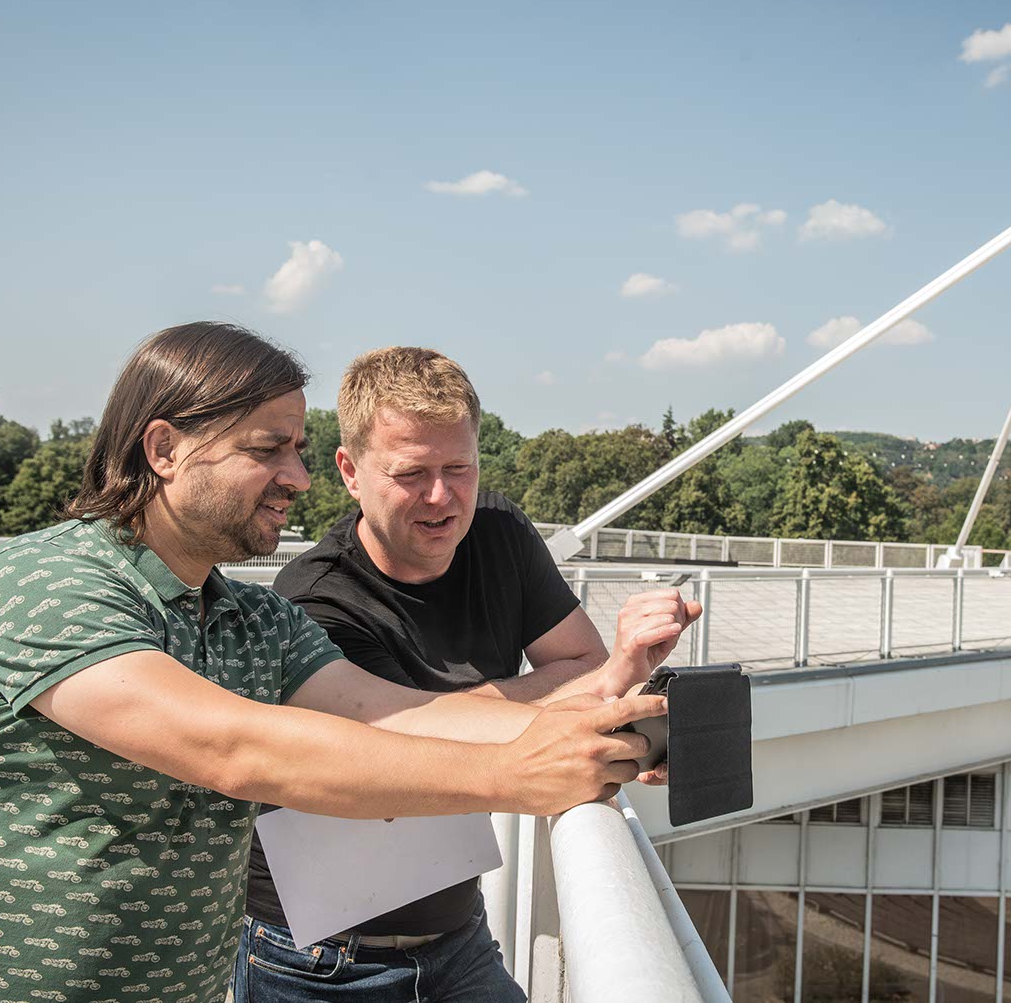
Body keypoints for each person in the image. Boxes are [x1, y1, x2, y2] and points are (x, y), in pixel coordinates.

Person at [0, 323, 661, 1003]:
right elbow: (236, 748)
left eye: (300, 449)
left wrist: (597, 723)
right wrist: (515, 774)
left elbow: (397, 711)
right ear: (165, 448)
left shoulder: (254, 619)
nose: (299, 479)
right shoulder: (48, 583)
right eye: (267, 449)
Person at [236, 346, 700, 1003]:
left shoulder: (498, 531)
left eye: (460, 467)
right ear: (349, 471)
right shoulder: (313, 602)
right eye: (412, 473)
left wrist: (609, 685)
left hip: (457, 932)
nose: (442, 496)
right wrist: (600, 686)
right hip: (320, 961)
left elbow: (578, 665)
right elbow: (412, 750)